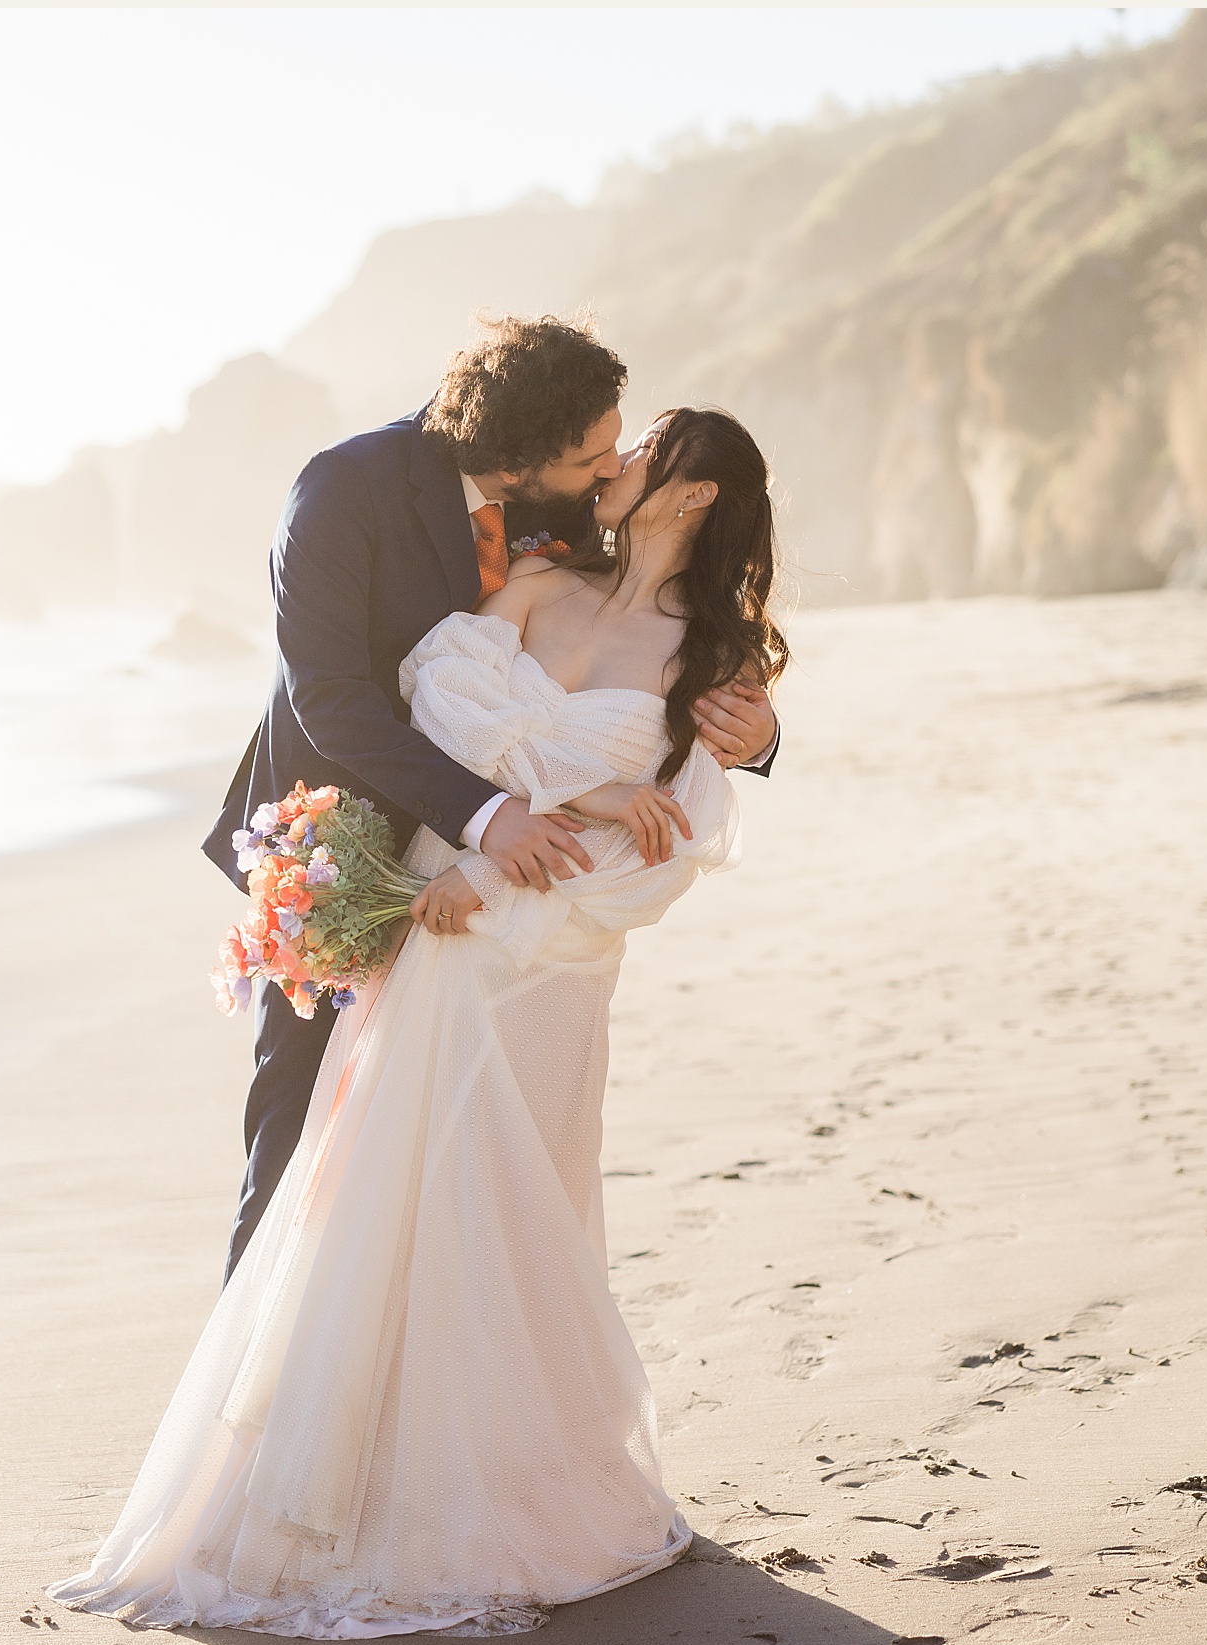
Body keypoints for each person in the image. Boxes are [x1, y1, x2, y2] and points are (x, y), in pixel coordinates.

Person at [51, 406, 790, 1639]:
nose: (611, 462)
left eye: (640, 445)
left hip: (544, 958)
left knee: (513, 1205)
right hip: (426, 905)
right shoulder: (514, 560)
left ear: (698, 493)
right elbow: (422, 705)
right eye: (604, 438)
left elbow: (674, 831)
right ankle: (297, 1459)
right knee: (353, 1178)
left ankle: (512, 1480)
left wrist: (735, 748)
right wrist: (497, 830)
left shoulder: (703, 649)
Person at [198, 316, 778, 1280]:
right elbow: (332, 701)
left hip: (510, 881)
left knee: (458, 1153)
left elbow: (646, 658)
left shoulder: (566, 514)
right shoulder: (343, 491)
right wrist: (488, 817)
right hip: (343, 843)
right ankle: (257, 1399)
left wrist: (756, 739)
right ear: (518, 457)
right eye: (593, 455)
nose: (608, 473)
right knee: (304, 1124)